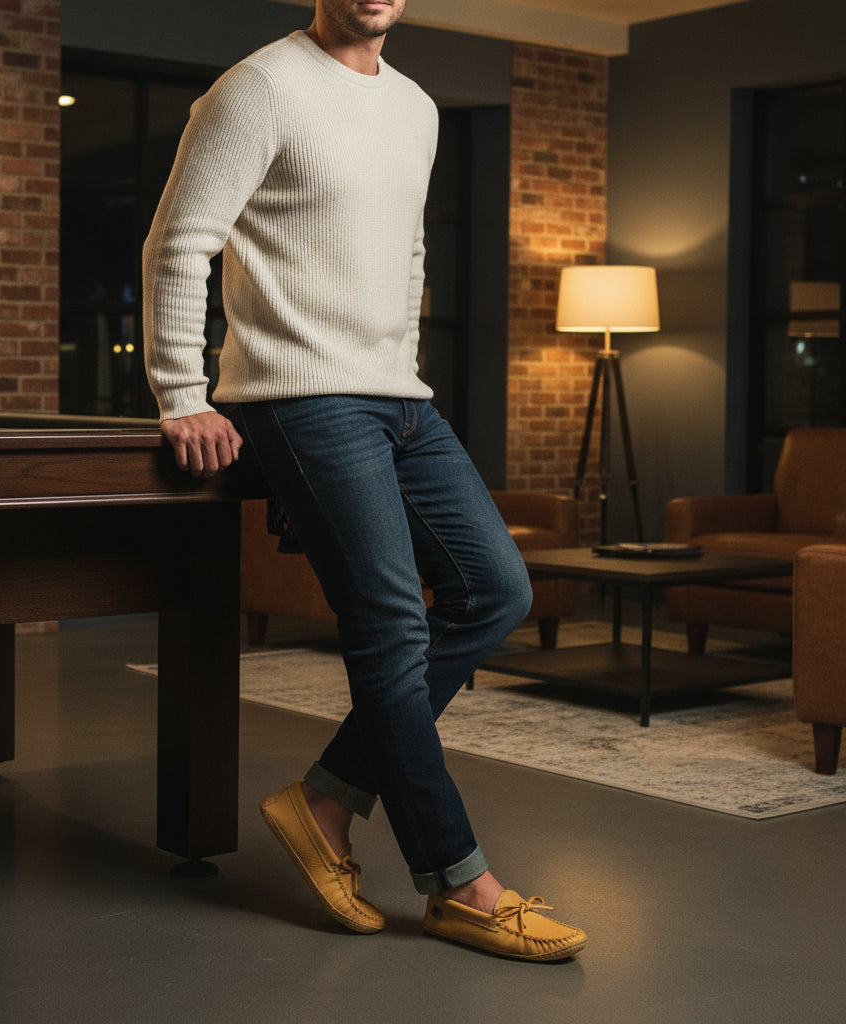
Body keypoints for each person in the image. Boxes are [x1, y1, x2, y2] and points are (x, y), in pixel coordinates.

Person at [143, 0, 587, 962]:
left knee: (496, 589)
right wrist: (182, 393)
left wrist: (401, 366)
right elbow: (178, 241)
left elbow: (408, 253)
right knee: (391, 624)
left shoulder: (417, 106)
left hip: (399, 398)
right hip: (301, 399)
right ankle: (461, 883)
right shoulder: (259, 88)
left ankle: (325, 800)